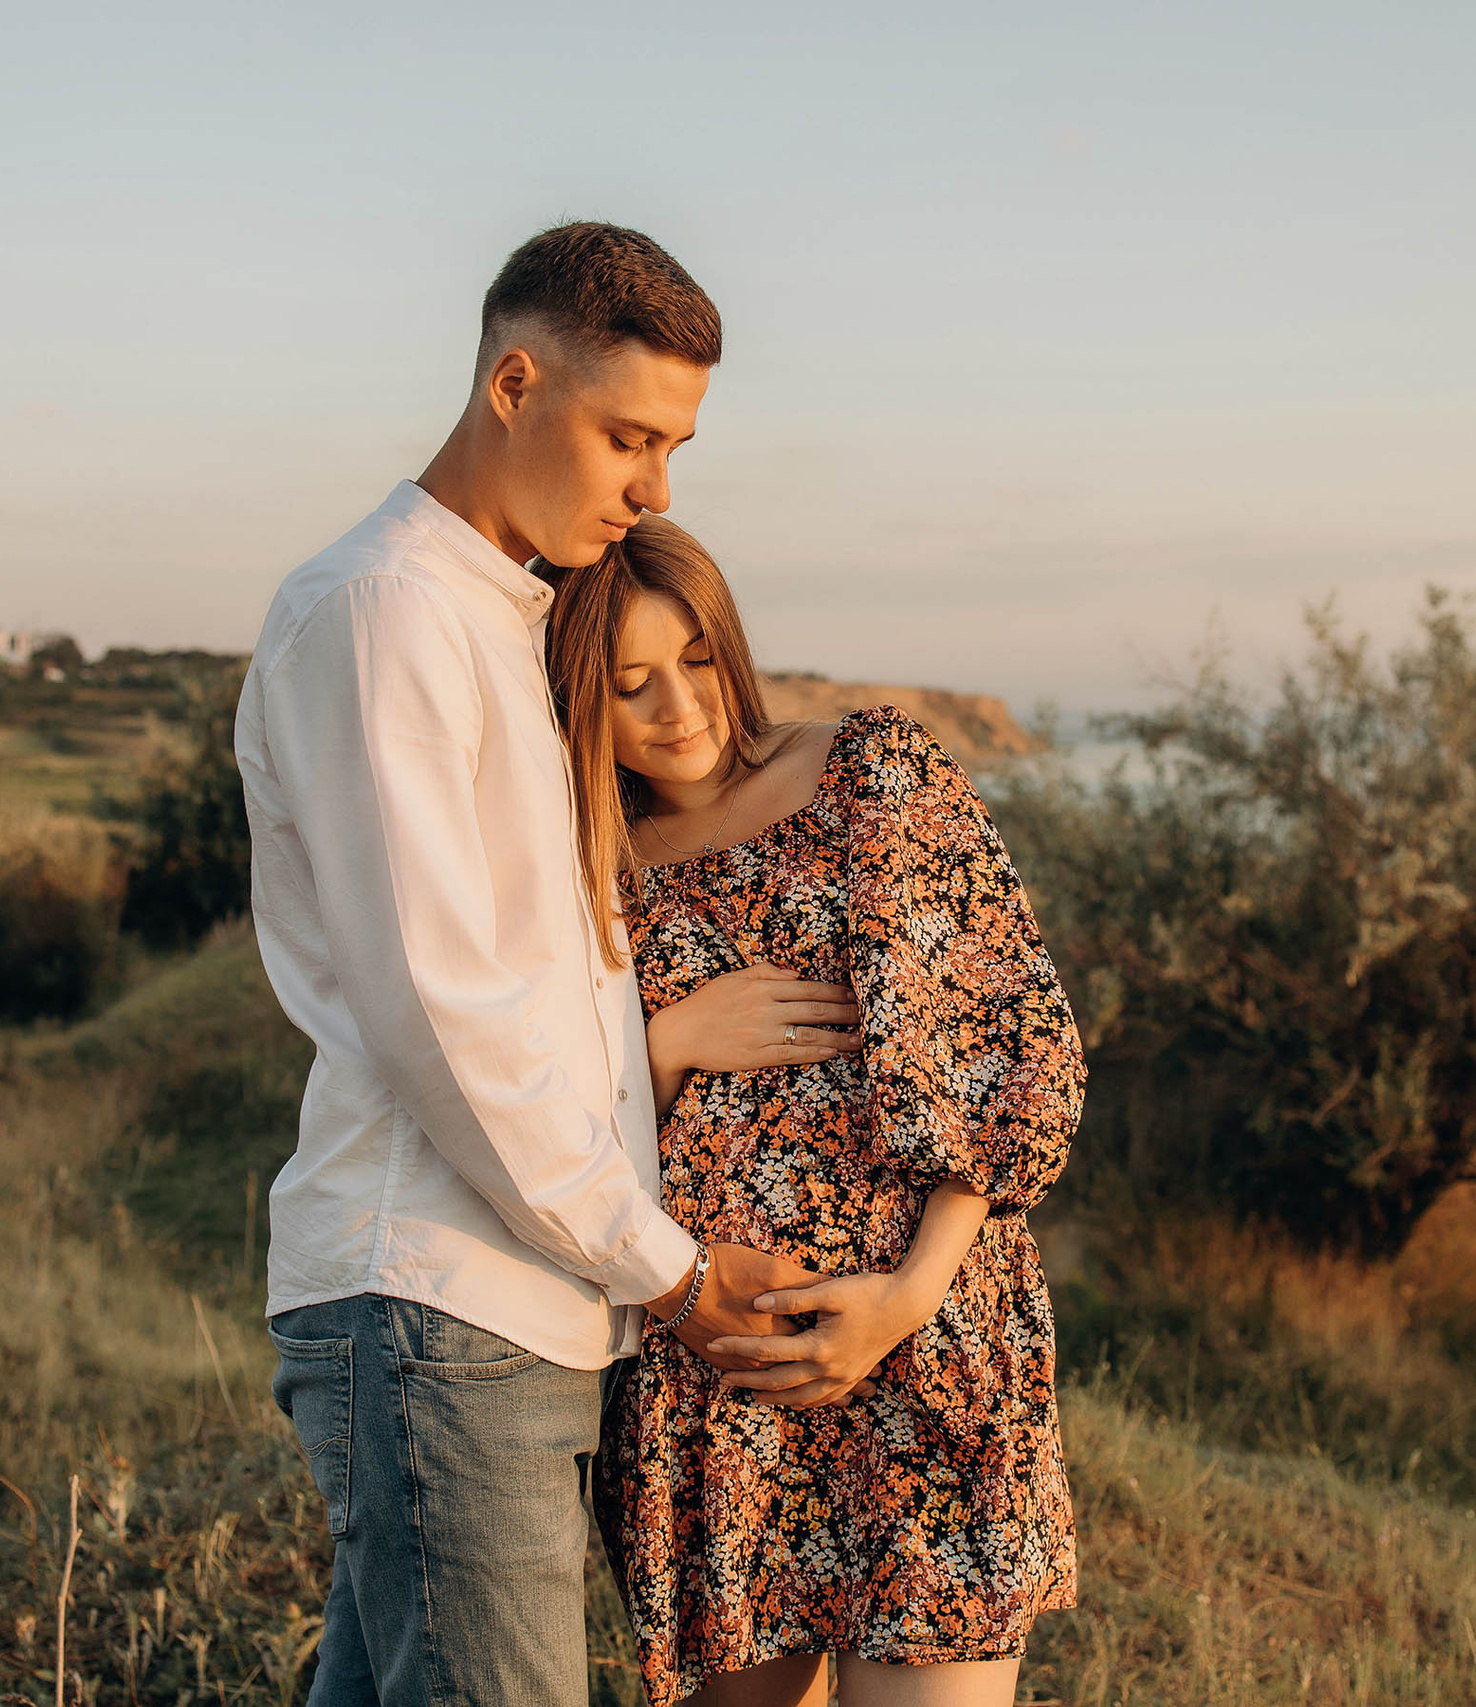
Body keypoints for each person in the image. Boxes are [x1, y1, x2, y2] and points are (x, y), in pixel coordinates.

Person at [236, 224, 854, 1707]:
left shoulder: (500, 622)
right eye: (629, 434)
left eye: (675, 446)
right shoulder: (387, 612)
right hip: (441, 1301)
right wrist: (678, 1271)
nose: (653, 487)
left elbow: (532, 997)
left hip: (502, 1302)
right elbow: (446, 1018)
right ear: (515, 381)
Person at [543, 516, 1087, 1707]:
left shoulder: (870, 767)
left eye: (695, 658)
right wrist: (665, 1046)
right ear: (577, 698)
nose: (679, 707)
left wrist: (908, 1296)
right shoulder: (582, 860)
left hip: (929, 1336)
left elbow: (1010, 1039)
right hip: (715, 1375)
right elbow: (534, 1117)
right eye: (629, 684)